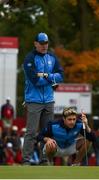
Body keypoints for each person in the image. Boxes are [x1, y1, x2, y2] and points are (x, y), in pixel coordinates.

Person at [22, 32, 64, 165]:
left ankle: (44, 160)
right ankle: (26, 160)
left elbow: (61, 76)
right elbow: (35, 80)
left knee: (47, 133)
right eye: (41, 43)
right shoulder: (30, 58)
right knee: (32, 132)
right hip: (34, 100)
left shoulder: (52, 57)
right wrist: (51, 78)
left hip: (49, 100)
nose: (44, 46)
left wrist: (45, 75)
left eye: (46, 43)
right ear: (35, 44)